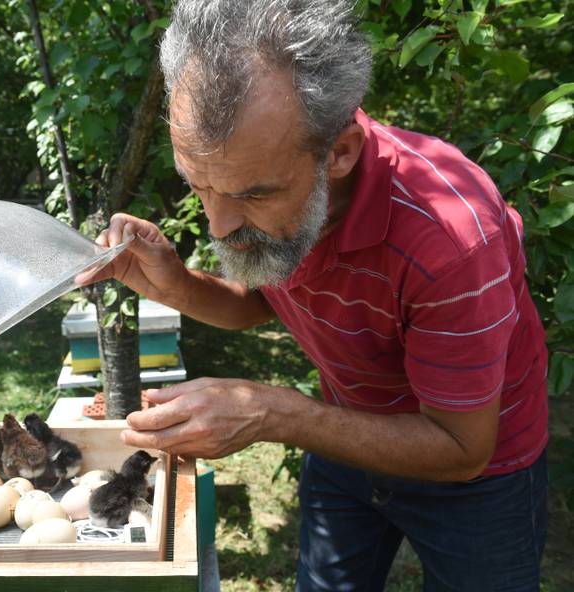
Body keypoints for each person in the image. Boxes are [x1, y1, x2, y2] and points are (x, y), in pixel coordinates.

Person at [77, 1, 549, 590]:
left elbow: (462, 448)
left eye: (252, 194)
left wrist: (273, 411)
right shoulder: (282, 170)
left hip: (478, 478)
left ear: (341, 152)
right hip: (342, 438)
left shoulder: (453, 240)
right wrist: (175, 283)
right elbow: (258, 303)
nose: (220, 224)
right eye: (198, 185)